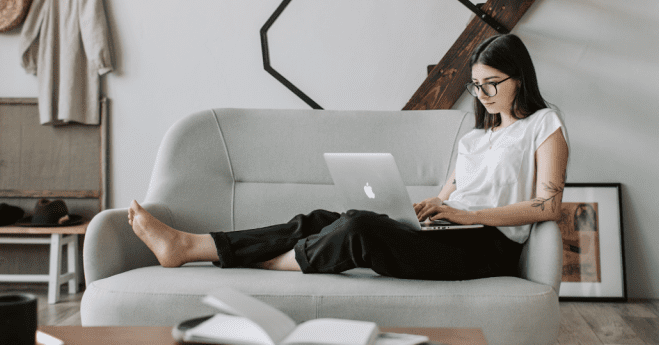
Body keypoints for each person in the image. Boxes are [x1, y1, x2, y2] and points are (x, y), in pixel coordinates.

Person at [129, 33, 569, 281]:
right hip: (447, 236)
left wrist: (466, 215)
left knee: (358, 229)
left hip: (485, 250)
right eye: (476, 85)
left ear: (519, 77)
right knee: (323, 218)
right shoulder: (475, 138)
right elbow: (446, 198)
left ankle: (268, 261)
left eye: (492, 83)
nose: (483, 94)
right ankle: (188, 245)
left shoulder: (544, 125)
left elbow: (549, 206)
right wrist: (424, 212)